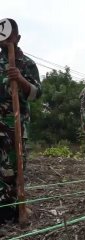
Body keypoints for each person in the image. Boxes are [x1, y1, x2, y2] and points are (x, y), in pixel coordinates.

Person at [0, 18, 42, 223]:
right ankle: (4, 211)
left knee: (17, 166)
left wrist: (20, 79)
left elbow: (36, 93)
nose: (5, 40)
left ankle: (18, 208)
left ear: (17, 37)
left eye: (9, 36)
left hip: (17, 124)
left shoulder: (27, 64)